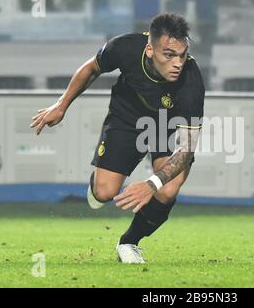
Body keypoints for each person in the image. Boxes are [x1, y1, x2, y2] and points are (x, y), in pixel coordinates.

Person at [30, 13, 205, 264]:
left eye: (182, 54)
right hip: (127, 118)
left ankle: (129, 242)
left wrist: (152, 184)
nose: (178, 63)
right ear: (149, 50)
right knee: (104, 192)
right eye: (169, 55)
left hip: (164, 126)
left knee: (168, 189)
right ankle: (98, 182)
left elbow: (187, 149)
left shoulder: (191, 81)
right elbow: (91, 69)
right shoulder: (124, 47)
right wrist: (61, 105)